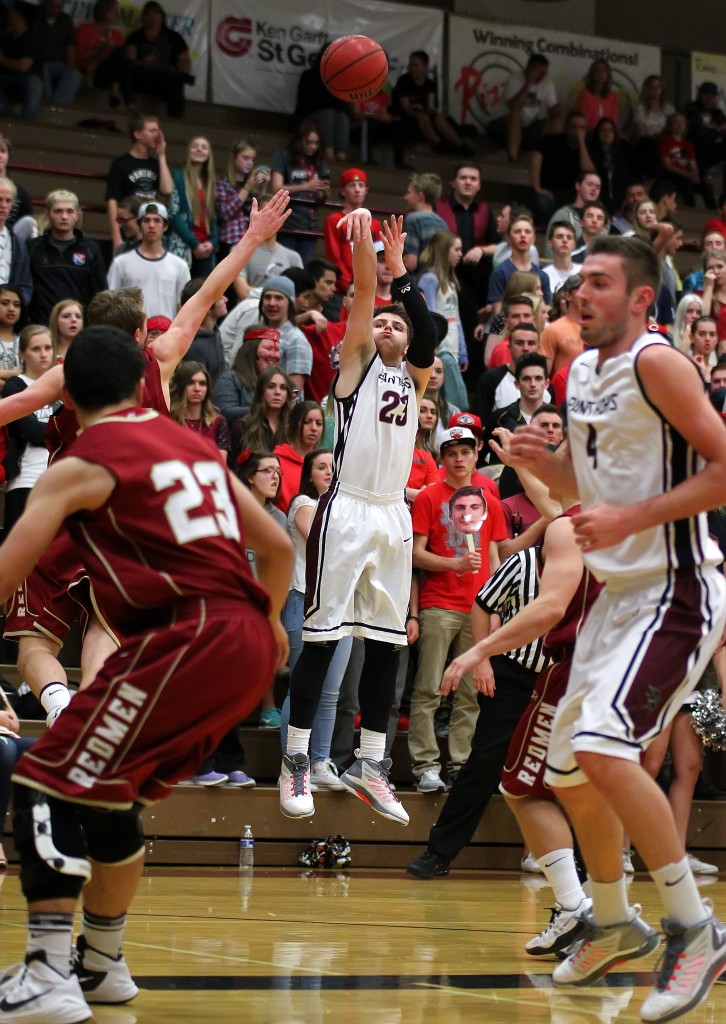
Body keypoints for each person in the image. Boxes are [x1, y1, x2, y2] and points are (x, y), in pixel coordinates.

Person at [0, 324, 293, 1023]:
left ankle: (46, 972)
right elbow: (278, 545)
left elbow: (7, 571)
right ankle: (101, 964)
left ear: (65, 394)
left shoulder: (81, 460)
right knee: (110, 795)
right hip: (246, 637)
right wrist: (273, 626)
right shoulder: (198, 447)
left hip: (192, 633)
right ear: (141, 385)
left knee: (42, 775)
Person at [502, 234, 726, 1021]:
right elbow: (591, 490)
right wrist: (547, 467)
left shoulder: (660, 362)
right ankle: (612, 916)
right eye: (577, 281)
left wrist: (631, 515)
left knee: (601, 746)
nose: (579, 293)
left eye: (598, 281)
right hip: (617, 596)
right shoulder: (582, 371)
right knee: (567, 770)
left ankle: (695, 930)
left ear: (640, 298)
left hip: (679, 589)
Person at [279, 213, 436, 825]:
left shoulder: (415, 376)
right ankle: (296, 762)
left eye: (398, 325)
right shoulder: (355, 369)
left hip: (392, 514)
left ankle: (371, 767)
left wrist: (403, 272)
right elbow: (368, 298)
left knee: (386, 649)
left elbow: (425, 328)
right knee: (321, 644)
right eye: (383, 324)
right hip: (345, 508)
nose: (392, 327)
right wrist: (368, 248)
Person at [409, 428, 505, 791]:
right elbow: (416, 554)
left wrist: (496, 608)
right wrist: (454, 565)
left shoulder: (490, 501)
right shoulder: (429, 498)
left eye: (466, 451)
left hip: (479, 609)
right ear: (442, 458)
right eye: (452, 452)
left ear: (476, 455)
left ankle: (461, 765)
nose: (460, 458)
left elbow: (494, 559)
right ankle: (425, 766)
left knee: (471, 693)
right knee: (430, 688)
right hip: (438, 604)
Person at [279, 447, 352, 784]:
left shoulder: (350, 510)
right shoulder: (304, 505)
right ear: (309, 475)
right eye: (321, 467)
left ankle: (320, 762)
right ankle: (294, 766)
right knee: (302, 686)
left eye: (333, 467)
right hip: (303, 603)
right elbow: (318, 541)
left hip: (345, 607)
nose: (328, 472)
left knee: (331, 691)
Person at [1, 325, 56, 532]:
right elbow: (30, 431)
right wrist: (61, 431)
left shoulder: (62, 385)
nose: (44, 354)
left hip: (61, 480)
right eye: (36, 349)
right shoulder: (15, 386)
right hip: (26, 479)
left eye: (48, 348)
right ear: (21, 353)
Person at [26, 190, 106, 326]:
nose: (64, 216)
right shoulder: (33, 248)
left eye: (69, 211)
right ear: (48, 214)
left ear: (77, 214)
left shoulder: (91, 250)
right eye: (58, 211)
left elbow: (99, 295)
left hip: (79, 331)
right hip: (42, 329)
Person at [107, 200, 190, 321]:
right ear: (139, 226)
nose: (151, 225)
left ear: (165, 226)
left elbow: (182, 308)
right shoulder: (121, 263)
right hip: (131, 334)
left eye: (157, 220)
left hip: (166, 335)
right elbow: (111, 305)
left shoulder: (180, 266)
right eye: (146, 220)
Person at [105, 113, 173, 252]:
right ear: (138, 134)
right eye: (152, 130)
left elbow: (167, 190)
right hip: (129, 230)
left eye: (158, 130)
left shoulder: (156, 164)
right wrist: (116, 236)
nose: (158, 135)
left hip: (150, 228)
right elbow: (112, 201)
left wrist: (161, 155)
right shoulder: (121, 164)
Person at [391, 50, 472, 159]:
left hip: (424, 116)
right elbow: (405, 107)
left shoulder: (430, 84)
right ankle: (439, 144)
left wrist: (430, 111)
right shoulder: (404, 81)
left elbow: (432, 106)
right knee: (424, 118)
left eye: (416, 65)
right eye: (411, 64)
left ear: (424, 68)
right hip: (407, 118)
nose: (412, 68)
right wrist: (419, 114)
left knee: (438, 118)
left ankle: (460, 145)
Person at [271, 121, 330, 265]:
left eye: (316, 143)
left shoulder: (319, 161)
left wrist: (323, 192)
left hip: (310, 225)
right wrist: (306, 186)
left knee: (305, 270)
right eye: (308, 142)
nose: (312, 147)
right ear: (300, 140)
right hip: (288, 223)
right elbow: (276, 188)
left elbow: (323, 197)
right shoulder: (284, 156)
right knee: (286, 267)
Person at [122, 0, 191, 118]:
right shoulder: (135, 37)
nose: (152, 18)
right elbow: (128, 61)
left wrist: (182, 69)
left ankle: (175, 121)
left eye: (155, 13)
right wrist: (142, 63)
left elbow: (184, 60)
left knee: (176, 85)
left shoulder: (174, 38)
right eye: (148, 14)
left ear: (162, 16)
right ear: (143, 17)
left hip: (165, 79)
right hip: (142, 78)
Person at [487, 54, 560, 163]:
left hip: (529, 129)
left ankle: (555, 160)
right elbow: (514, 106)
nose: (542, 77)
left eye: (545, 73)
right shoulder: (514, 79)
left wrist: (556, 110)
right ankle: (513, 158)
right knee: (516, 114)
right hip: (505, 127)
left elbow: (552, 111)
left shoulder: (547, 83)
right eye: (539, 73)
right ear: (530, 70)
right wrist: (528, 84)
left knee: (556, 123)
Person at [324, 168, 381, 295]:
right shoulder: (334, 220)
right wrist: (350, 284)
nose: (357, 189)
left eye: (361, 185)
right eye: (352, 185)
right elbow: (334, 257)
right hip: (343, 290)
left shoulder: (375, 224)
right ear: (342, 191)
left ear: (366, 190)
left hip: (368, 288)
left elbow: (378, 258)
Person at [167, 136, 218, 276]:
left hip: (206, 248)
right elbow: (173, 214)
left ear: (209, 154)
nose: (199, 150)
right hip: (183, 245)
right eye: (195, 146)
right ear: (189, 151)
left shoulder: (211, 182)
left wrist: (213, 242)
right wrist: (194, 244)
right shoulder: (178, 177)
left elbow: (213, 218)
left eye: (204, 147)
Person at [418, 230, 467, 371]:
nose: (460, 254)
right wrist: (437, 347)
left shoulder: (452, 282)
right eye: (457, 249)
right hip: (439, 351)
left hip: (453, 349)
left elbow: (456, 319)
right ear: (443, 251)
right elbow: (430, 318)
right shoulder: (429, 280)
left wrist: (462, 352)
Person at [212, 326, 280, 427]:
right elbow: (224, 412)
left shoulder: (281, 383)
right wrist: (266, 408)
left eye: (277, 350)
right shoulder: (229, 379)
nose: (274, 355)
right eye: (268, 348)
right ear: (251, 351)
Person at [215, 139, 271, 259]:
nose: (250, 163)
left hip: (250, 240)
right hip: (230, 241)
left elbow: (262, 215)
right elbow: (225, 213)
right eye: (245, 158)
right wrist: (247, 188)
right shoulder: (222, 183)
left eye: (252, 159)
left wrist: (263, 187)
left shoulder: (252, 182)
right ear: (234, 158)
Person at [26, 0, 82, 109]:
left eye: (59, 7)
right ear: (45, 4)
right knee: (42, 76)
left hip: (58, 64)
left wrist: (72, 67)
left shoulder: (66, 20)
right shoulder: (32, 17)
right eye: (52, 6)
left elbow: (70, 48)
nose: (55, 10)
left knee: (75, 74)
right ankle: (52, 108)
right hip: (37, 63)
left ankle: (58, 107)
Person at [272, 399, 324, 513]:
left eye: (319, 423)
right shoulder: (276, 461)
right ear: (294, 424)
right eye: (307, 422)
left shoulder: (327, 463)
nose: (314, 428)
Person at [169, 360, 230, 454]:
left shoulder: (218, 422)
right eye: (190, 383)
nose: (197, 389)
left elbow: (220, 463)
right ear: (180, 387)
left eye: (202, 384)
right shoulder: (168, 420)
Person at [75, 0, 125, 109]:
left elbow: (118, 61)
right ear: (105, 12)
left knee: (120, 52)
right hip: (86, 71)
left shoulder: (117, 35)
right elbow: (79, 57)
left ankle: (115, 90)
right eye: (114, 11)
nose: (117, 15)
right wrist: (102, 45)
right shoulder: (85, 29)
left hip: (107, 73)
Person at [0, 8, 43, 121]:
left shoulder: (31, 38)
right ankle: (10, 117)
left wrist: (2, 60)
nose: (10, 15)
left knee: (34, 83)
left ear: (20, 17)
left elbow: (24, 66)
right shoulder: (5, 37)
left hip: (25, 79)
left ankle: (28, 123)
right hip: (4, 79)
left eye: (13, 13)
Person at [401, 172, 449, 273]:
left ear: (420, 196)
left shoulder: (413, 219)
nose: (406, 197)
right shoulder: (443, 224)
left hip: (417, 283)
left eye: (409, 193)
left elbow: (410, 263)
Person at [0, 177, 32, 305]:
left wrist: (16, 306)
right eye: (0, 199)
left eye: (8, 201)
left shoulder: (18, 244)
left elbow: (25, 285)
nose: (3, 205)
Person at [577, 59, 619, 133]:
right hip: (590, 135)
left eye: (603, 71)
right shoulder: (585, 95)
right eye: (596, 71)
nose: (600, 73)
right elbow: (584, 120)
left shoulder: (613, 97)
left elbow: (613, 121)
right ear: (592, 74)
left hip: (607, 135)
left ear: (608, 74)